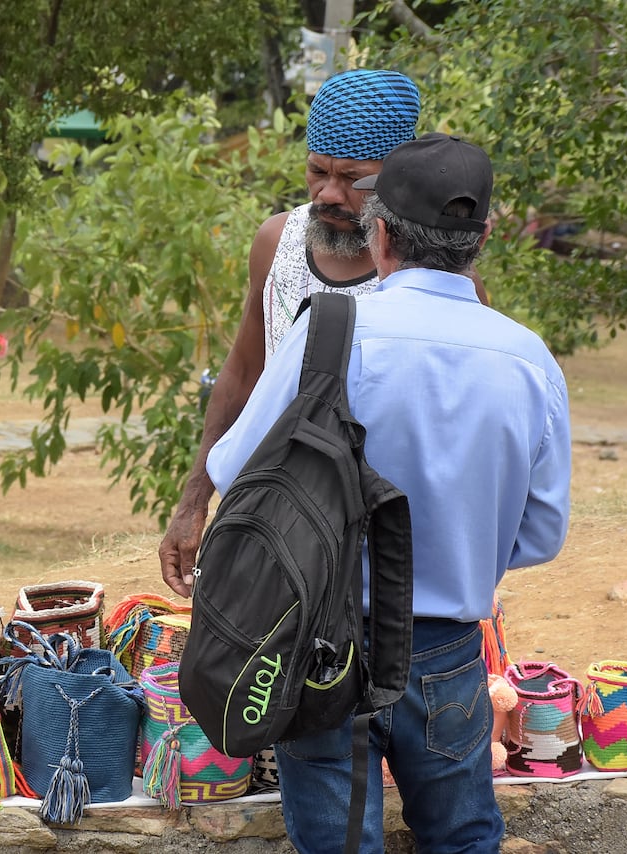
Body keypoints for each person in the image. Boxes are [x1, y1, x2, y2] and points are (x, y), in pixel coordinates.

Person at [204, 134, 572, 852]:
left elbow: (233, 470)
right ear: (484, 237)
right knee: (463, 839)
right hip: (449, 656)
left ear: (379, 232)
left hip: (319, 644)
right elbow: (541, 536)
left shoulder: (332, 334)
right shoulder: (529, 359)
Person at [159, 68, 489, 597]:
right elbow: (244, 376)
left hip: (389, 557)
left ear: (396, 177)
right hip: (274, 532)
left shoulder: (441, 278)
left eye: (354, 180)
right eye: (317, 172)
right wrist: (195, 500)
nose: (328, 194)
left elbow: (461, 430)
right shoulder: (277, 243)